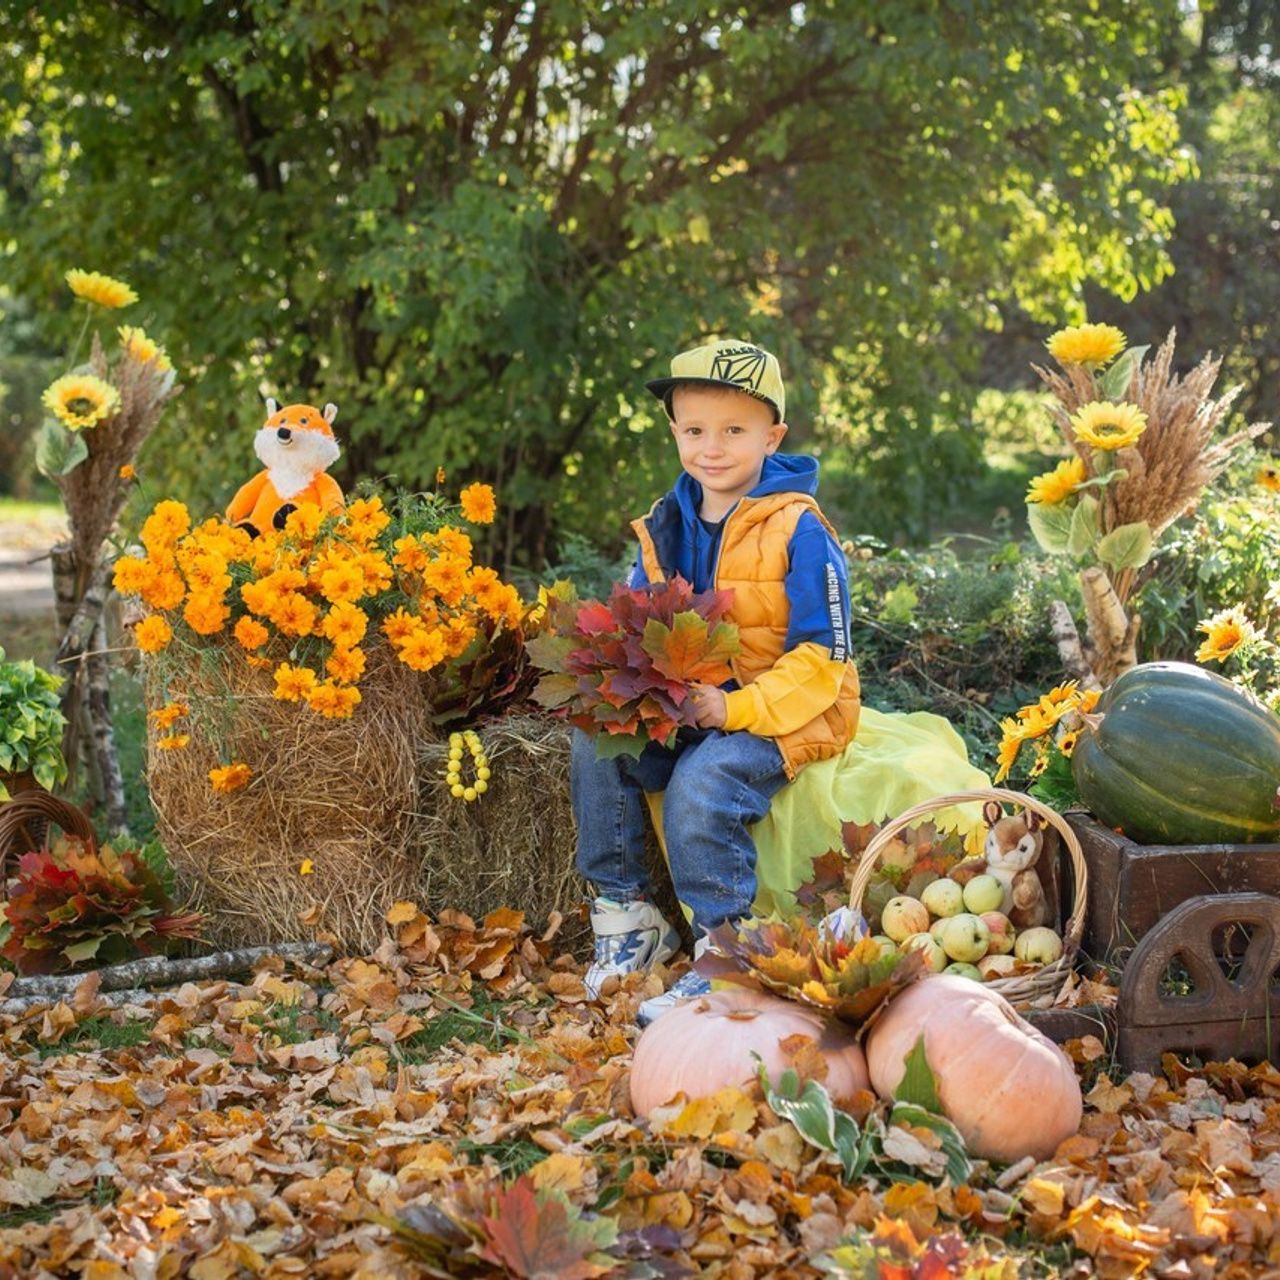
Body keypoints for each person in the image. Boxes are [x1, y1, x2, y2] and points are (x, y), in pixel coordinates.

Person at [572, 336, 861, 1024]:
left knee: (701, 783)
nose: (713, 447)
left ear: (773, 436)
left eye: (735, 430)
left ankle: (725, 954)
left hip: (788, 708)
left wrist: (735, 710)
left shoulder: (800, 528)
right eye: (695, 429)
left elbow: (826, 659)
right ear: (674, 431)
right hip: (694, 701)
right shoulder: (667, 521)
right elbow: (649, 622)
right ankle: (629, 917)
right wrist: (629, 682)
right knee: (599, 744)